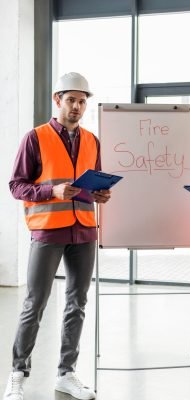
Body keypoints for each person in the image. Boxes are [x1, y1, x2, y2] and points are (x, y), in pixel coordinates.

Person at [3, 72, 111, 400]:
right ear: (57, 100)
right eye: (71, 100)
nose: (77, 106)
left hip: (84, 231)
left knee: (77, 302)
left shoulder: (92, 141)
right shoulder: (35, 138)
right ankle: (17, 376)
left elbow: (95, 185)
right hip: (48, 230)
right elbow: (16, 185)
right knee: (35, 303)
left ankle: (67, 373)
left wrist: (100, 195)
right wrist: (52, 190)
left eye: (82, 101)